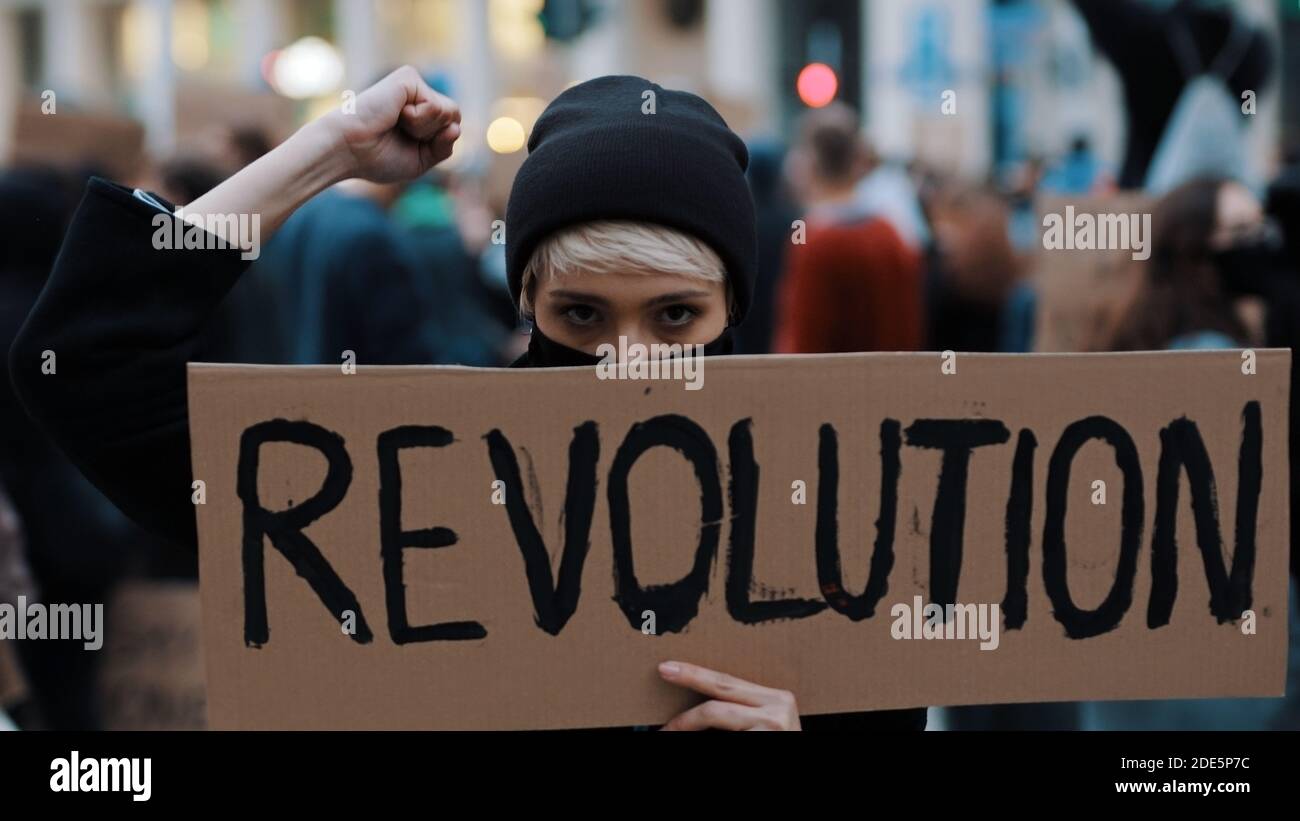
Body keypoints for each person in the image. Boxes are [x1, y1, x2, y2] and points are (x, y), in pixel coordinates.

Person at [11, 67, 925, 732]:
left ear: (734, 310)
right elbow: (88, 361)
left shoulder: (835, 532)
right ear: (527, 305)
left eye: (677, 315)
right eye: (582, 314)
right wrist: (327, 152)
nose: (628, 364)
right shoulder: (421, 482)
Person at [774, 103, 924, 354]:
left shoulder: (813, 241)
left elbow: (803, 340)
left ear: (809, 163)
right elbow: (907, 328)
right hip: (891, 383)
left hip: (827, 387)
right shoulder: (891, 233)